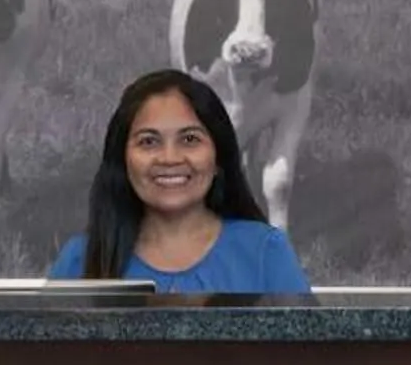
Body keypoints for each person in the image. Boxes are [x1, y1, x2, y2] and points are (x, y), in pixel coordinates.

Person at [48, 69, 310, 294]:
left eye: (189, 140)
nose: (170, 158)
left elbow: (310, 352)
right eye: (149, 142)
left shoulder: (265, 253)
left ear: (218, 156)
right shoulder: (81, 260)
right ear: (122, 158)